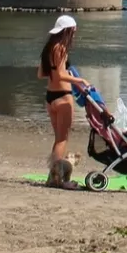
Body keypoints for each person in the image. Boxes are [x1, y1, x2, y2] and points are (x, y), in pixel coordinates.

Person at [37, 14, 91, 188]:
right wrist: (79, 80)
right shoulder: (60, 48)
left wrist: (57, 74)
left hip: (50, 98)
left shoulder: (48, 48)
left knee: (58, 139)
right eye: (73, 32)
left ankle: (52, 176)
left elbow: (41, 74)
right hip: (62, 97)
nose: (74, 35)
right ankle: (58, 179)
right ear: (68, 31)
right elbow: (60, 74)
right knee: (62, 139)